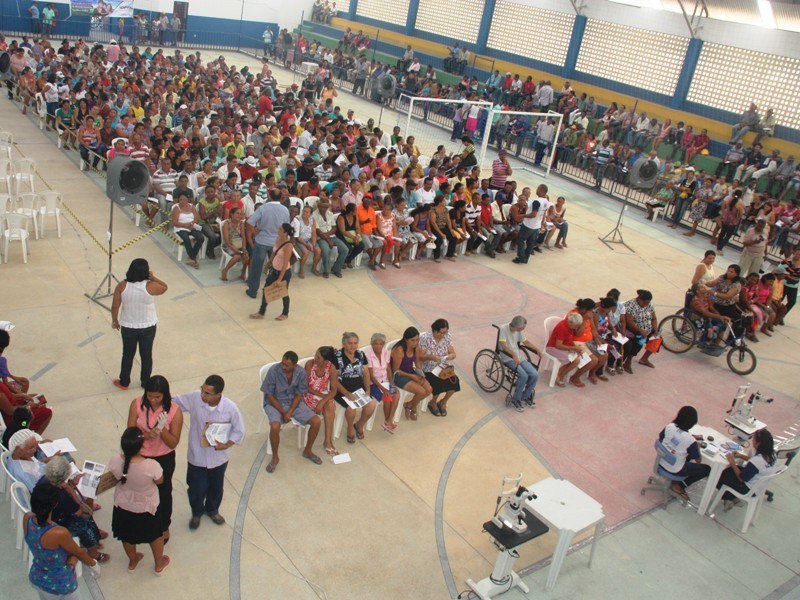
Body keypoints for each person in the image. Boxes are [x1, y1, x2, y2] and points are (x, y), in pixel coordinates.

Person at [173, 375, 245, 530]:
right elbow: (174, 402)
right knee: (196, 488)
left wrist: (226, 445)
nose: (202, 395)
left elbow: (239, 430)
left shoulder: (230, 408)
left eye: (207, 393)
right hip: (197, 457)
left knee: (216, 487)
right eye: (202, 390)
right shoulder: (194, 398)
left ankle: (212, 510)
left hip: (219, 458)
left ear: (218, 394)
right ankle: (197, 512)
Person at [127, 376, 182, 544]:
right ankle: (144, 522)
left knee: (163, 493)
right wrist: (144, 436)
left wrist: (162, 429)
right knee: (141, 491)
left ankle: (164, 526)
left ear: (165, 395)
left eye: (157, 397)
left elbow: (173, 442)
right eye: (150, 395)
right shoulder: (136, 403)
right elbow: (129, 433)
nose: (153, 400)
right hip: (141, 456)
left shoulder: (174, 410)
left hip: (163, 458)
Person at [24, 483, 101, 600]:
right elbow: (78, 553)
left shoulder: (27, 518)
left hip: (37, 577)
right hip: (62, 584)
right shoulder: (59, 533)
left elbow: (43, 548)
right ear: (55, 504)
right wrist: (94, 565)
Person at [108, 427, 169, 575]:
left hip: (123, 505)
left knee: (126, 534)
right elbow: (160, 481)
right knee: (155, 535)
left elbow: (115, 476)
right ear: (141, 445)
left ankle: (133, 560)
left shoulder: (115, 460)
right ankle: (158, 565)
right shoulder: (151, 465)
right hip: (146, 507)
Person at [110, 259, 167, 391]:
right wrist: (153, 277)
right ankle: (145, 382)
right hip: (148, 326)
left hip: (128, 326)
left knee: (127, 354)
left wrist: (115, 320)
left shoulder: (122, 286)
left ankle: (124, 382)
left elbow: (115, 306)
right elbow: (164, 287)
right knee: (146, 355)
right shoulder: (150, 286)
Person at [262, 351, 322, 473]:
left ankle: (308, 451)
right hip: (275, 403)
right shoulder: (274, 370)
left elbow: (299, 394)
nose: (283, 366)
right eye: (282, 363)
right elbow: (269, 395)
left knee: (316, 421)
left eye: (287, 365)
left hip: (294, 403)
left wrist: (290, 411)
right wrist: (284, 412)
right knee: (274, 426)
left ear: (294, 366)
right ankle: (275, 457)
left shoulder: (300, 372)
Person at [41, 456, 109, 563]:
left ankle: (94, 538)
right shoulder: (62, 496)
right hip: (59, 522)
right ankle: (93, 551)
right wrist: (74, 491)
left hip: (54, 515)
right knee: (84, 523)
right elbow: (78, 510)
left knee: (86, 518)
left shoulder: (45, 480)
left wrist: (69, 486)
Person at [715, 429, 778, 511]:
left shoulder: (757, 461)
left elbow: (741, 478)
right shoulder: (772, 454)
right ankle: (732, 498)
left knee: (721, 475)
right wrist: (740, 456)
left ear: (758, 443)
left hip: (748, 489)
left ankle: (728, 498)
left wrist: (732, 462)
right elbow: (755, 464)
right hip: (758, 485)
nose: (752, 441)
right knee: (731, 471)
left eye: (754, 439)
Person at [658, 406, 711, 501]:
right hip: (675, 468)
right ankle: (680, 486)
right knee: (706, 469)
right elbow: (698, 460)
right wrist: (696, 447)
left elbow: (661, 438)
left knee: (683, 453)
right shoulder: (690, 440)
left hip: (661, 460)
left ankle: (676, 482)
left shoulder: (670, 426)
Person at [246, 189, 290, 299]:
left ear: (269, 196)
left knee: (257, 267)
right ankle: (273, 291)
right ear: (280, 197)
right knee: (276, 267)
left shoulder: (263, 208)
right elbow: (287, 228)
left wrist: (255, 232)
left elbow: (250, 222)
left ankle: (252, 291)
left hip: (262, 241)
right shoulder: (285, 210)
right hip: (277, 242)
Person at [334, 332, 377, 444]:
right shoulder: (337, 357)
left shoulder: (360, 355)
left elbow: (366, 374)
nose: (353, 346)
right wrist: (347, 393)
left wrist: (367, 390)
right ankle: (350, 428)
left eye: (355, 343)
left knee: (372, 404)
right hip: (342, 389)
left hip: (358, 386)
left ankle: (359, 425)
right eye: (349, 343)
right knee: (351, 409)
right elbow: (334, 380)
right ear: (343, 344)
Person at [250, 223, 294, 321]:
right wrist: (268, 264)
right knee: (266, 289)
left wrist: (279, 279)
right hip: (274, 270)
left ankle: (285, 313)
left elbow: (285, 263)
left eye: (280, 229)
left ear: (285, 233)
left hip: (283, 273)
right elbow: (274, 253)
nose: (278, 230)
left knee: (284, 293)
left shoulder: (289, 246)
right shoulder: (278, 239)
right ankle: (261, 312)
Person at [498, 316, 541, 411]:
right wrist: (513, 354)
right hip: (508, 358)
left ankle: (525, 396)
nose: (523, 330)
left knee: (534, 374)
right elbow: (504, 347)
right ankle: (515, 399)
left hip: (519, 357)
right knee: (524, 376)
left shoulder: (519, 330)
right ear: (516, 327)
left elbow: (525, 342)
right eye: (522, 329)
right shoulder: (503, 329)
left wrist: (537, 350)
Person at [418, 319, 460, 416]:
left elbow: (453, 352)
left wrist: (451, 355)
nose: (443, 335)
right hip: (428, 368)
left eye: (445, 332)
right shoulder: (425, 338)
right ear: (435, 330)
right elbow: (420, 357)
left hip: (442, 368)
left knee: (455, 381)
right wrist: (431, 357)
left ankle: (443, 402)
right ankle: (433, 402)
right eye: (441, 333)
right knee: (438, 383)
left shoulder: (447, 337)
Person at [389, 327, 433, 420]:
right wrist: (413, 376)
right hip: (398, 376)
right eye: (412, 340)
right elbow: (396, 370)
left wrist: (420, 374)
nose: (415, 343)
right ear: (406, 339)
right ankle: (413, 408)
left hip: (410, 372)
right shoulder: (399, 350)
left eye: (417, 340)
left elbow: (417, 362)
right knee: (421, 391)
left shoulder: (415, 347)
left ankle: (409, 404)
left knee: (429, 389)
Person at [303, 346, 339, 456]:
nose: (315, 358)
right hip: (309, 394)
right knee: (329, 403)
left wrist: (322, 401)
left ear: (326, 360)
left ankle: (328, 441)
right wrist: (322, 397)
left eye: (318, 357)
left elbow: (334, 391)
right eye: (315, 355)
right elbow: (305, 387)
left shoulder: (331, 368)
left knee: (329, 404)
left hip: (322, 396)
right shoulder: (310, 364)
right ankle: (328, 442)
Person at [546, 312, 595, 388]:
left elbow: (568, 340)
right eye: (576, 326)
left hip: (564, 347)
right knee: (575, 360)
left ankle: (559, 373)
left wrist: (575, 348)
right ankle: (560, 376)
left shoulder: (570, 326)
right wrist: (573, 348)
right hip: (553, 348)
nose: (576, 328)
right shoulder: (562, 327)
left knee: (578, 356)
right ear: (571, 322)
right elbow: (558, 345)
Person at [364, 333, 400, 432]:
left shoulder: (385, 352)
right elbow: (371, 376)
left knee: (396, 394)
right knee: (387, 396)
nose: (378, 346)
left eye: (381, 344)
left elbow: (388, 369)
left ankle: (389, 420)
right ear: (372, 343)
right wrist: (384, 389)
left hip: (386, 381)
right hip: (374, 384)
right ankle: (388, 422)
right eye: (376, 344)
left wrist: (392, 383)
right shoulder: (368, 355)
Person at [621, 289, 658, 373]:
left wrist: (655, 328)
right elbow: (629, 322)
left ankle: (644, 359)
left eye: (648, 303)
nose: (646, 305)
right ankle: (627, 362)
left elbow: (654, 318)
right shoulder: (630, 306)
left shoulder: (649, 305)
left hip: (647, 329)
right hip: (634, 330)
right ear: (639, 299)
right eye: (645, 303)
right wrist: (640, 330)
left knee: (657, 339)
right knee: (638, 343)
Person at [170, 191, 204, 268]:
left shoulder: (192, 206)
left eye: (184, 199)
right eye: (180, 200)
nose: (182, 201)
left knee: (201, 238)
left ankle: (191, 258)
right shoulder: (176, 208)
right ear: (178, 200)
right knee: (186, 238)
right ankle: (193, 258)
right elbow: (174, 222)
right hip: (180, 227)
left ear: (187, 199)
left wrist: (192, 223)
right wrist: (185, 225)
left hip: (191, 226)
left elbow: (196, 218)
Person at [220, 207, 249, 281]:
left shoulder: (241, 223)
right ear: (232, 214)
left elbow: (243, 237)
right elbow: (226, 240)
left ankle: (243, 272)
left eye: (240, 214)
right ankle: (225, 270)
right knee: (237, 256)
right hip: (228, 245)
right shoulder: (226, 223)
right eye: (237, 213)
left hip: (239, 244)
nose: (239, 215)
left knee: (246, 256)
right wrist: (234, 250)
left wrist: (244, 248)